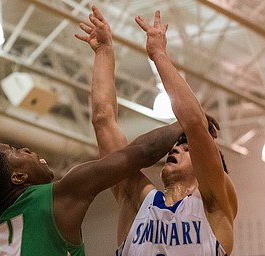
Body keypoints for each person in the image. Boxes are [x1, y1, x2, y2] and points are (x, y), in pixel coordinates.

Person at [76, 6, 238, 256]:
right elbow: (102, 120)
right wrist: (104, 51)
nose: (175, 148)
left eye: (187, 149)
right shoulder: (137, 201)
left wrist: (159, 53)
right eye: (178, 145)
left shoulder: (214, 205)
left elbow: (195, 124)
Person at [0, 118, 188, 256]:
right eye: (14, 151)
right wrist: (187, 122)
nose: (25, 149)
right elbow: (143, 153)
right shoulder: (55, 198)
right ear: (18, 177)